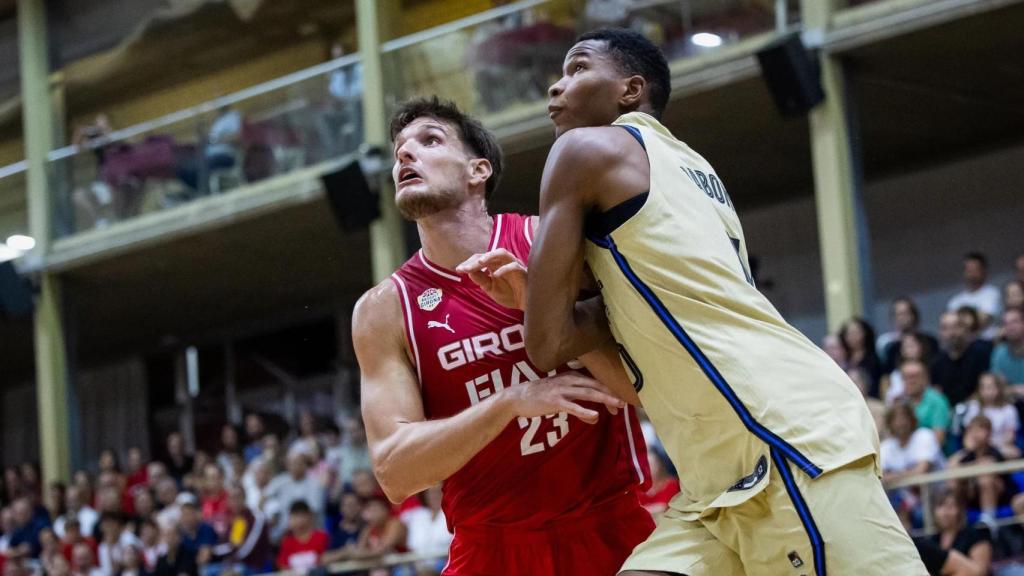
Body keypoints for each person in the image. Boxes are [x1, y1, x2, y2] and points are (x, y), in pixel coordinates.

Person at [459, 27, 923, 574]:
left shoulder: (582, 151)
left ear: (631, 90)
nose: (556, 89)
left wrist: (535, 295)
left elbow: (545, 344)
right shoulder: (695, 173)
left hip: (783, 448)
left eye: (578, 69)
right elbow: (630, 341)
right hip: (715, 486)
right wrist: (542, 296)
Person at [351, 96, 654, 576]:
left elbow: (642, 393)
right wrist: (510, 401)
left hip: (610, 527)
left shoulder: (548, 242)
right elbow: (394, 471)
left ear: (478, 171)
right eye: (399, 151)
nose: (405, 156)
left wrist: (542, 310)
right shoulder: (384, 309)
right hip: (489, 549)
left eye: (429, 140)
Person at [947, 415, 1015, 528]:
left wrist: (966, 468)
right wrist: (967, 450)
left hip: (1000, 495)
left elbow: (987, 465)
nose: (975, 434)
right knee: (955, 483)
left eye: (980, 429)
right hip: (973, 494)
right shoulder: (968, 454)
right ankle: (958, 521)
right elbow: (951, 468)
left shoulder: (994, 451)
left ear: (989, 433)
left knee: (985, 479)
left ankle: (989, 520)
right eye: (972, 430)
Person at [919, 490, 992, 576]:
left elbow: (980, 571)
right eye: (940, 506)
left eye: (950, 507)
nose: (945, 512)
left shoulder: (976, 534)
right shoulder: (932, 541)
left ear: (959, 510)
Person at [932, 312, 991, 407]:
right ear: (940, 333)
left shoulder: (981, 353)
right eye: (945, 328)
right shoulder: (937, 362)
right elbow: (937, 394)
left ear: (965, 329)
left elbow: (987, 387)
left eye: (956, 327)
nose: (951, 333)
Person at [962, 372, 1020, 458]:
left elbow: (1010, 438)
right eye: (983, 387)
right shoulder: (973, 407)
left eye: (990, 387)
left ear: (998, 389)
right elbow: (968, 436)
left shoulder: (1009, 410)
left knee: (1014, 453)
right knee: (953, 462)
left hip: (999, 447)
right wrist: (975, 447)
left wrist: (991, 447)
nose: (986, 391)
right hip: (977, 448)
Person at [948, 253, 1002, 339]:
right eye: (969, 270)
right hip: (963, 346)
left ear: (983, 271)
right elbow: (950, 326)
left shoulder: (992, 293)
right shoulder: (955, 301)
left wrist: (960, 324)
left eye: (975, 270)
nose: (972, 274)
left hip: (987, 343)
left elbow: (984, 320)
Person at [899, 360, 952, 446]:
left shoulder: (937, 401)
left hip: (930, 453)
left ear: (925, 379)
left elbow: (939, 438)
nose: (909, 381)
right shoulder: (902, 402)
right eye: (905, 377)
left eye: (914, 377)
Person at [399, 484, 452, 571]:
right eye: (430, 493)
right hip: (418, 566)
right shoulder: (416, 515)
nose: (434, 496)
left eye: (438, 492)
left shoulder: (452, 513)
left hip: (446, 563)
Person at [878, 298, 939, 373]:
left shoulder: (930, 341)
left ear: (914, 315)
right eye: (899, 314)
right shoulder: (891, 349)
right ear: (893, 318)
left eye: (906, 313)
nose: (903, 318)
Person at [883, 332, 935, 406]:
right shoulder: (895, 374)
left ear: (921, 347)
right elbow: (891, 398)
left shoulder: (932, 369)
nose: (909, 349)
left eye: (912, 345)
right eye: (905, 346)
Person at [275, 501, 328, 573]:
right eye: (294, 517)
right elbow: (283, 567)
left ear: (309, 516)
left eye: (300, 516)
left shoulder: (321, 537)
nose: (298, 521)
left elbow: (326, 560)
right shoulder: (287, 542)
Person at [840, 317, 884, 397]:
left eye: (856, 332)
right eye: (849, 333)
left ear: (864, 333)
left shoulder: (873, 360)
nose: (852, 337)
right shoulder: (842, 359)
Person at [637, 450, 680, 515]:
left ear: (660, 465)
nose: (648, 468)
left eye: (651, 464)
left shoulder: (672, 484)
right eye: (645, 465)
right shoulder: (637, 489)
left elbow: (665, 507)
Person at [992, 307, 1024, 390]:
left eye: (1014, 322)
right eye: (1006, 324)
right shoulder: (999, 352)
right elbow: (997, 388)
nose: (1010, 327)